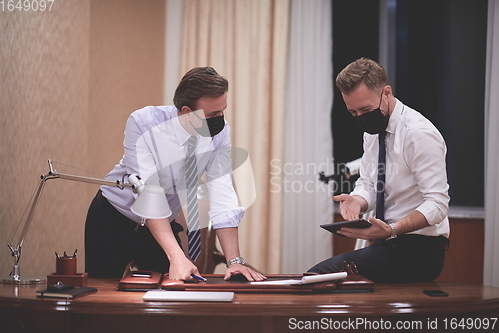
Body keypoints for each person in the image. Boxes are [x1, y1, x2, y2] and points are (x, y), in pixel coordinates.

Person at [85, 67, 265, 282]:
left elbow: (222, 191)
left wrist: (234, 261)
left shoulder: (219, 132)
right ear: (187, 111)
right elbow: (149, 191)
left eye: (222, 111)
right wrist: (177, 256)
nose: (220, 119)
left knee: (176, 287)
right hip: (113, 220)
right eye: (213, 114)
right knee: (102, 295)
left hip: (161, 225)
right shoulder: (144, 122)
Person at [308, 58, 450, 283]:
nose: (361, 118)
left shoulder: (418, 134)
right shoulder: (372, 133)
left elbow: (438, 204)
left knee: (321, 276)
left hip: (421, 248)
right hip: (388, 243)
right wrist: (357, 201)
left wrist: (392, 229)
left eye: (365, 109)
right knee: (321, 278)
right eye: (353, 113)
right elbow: (369, 184)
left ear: (386, 92)